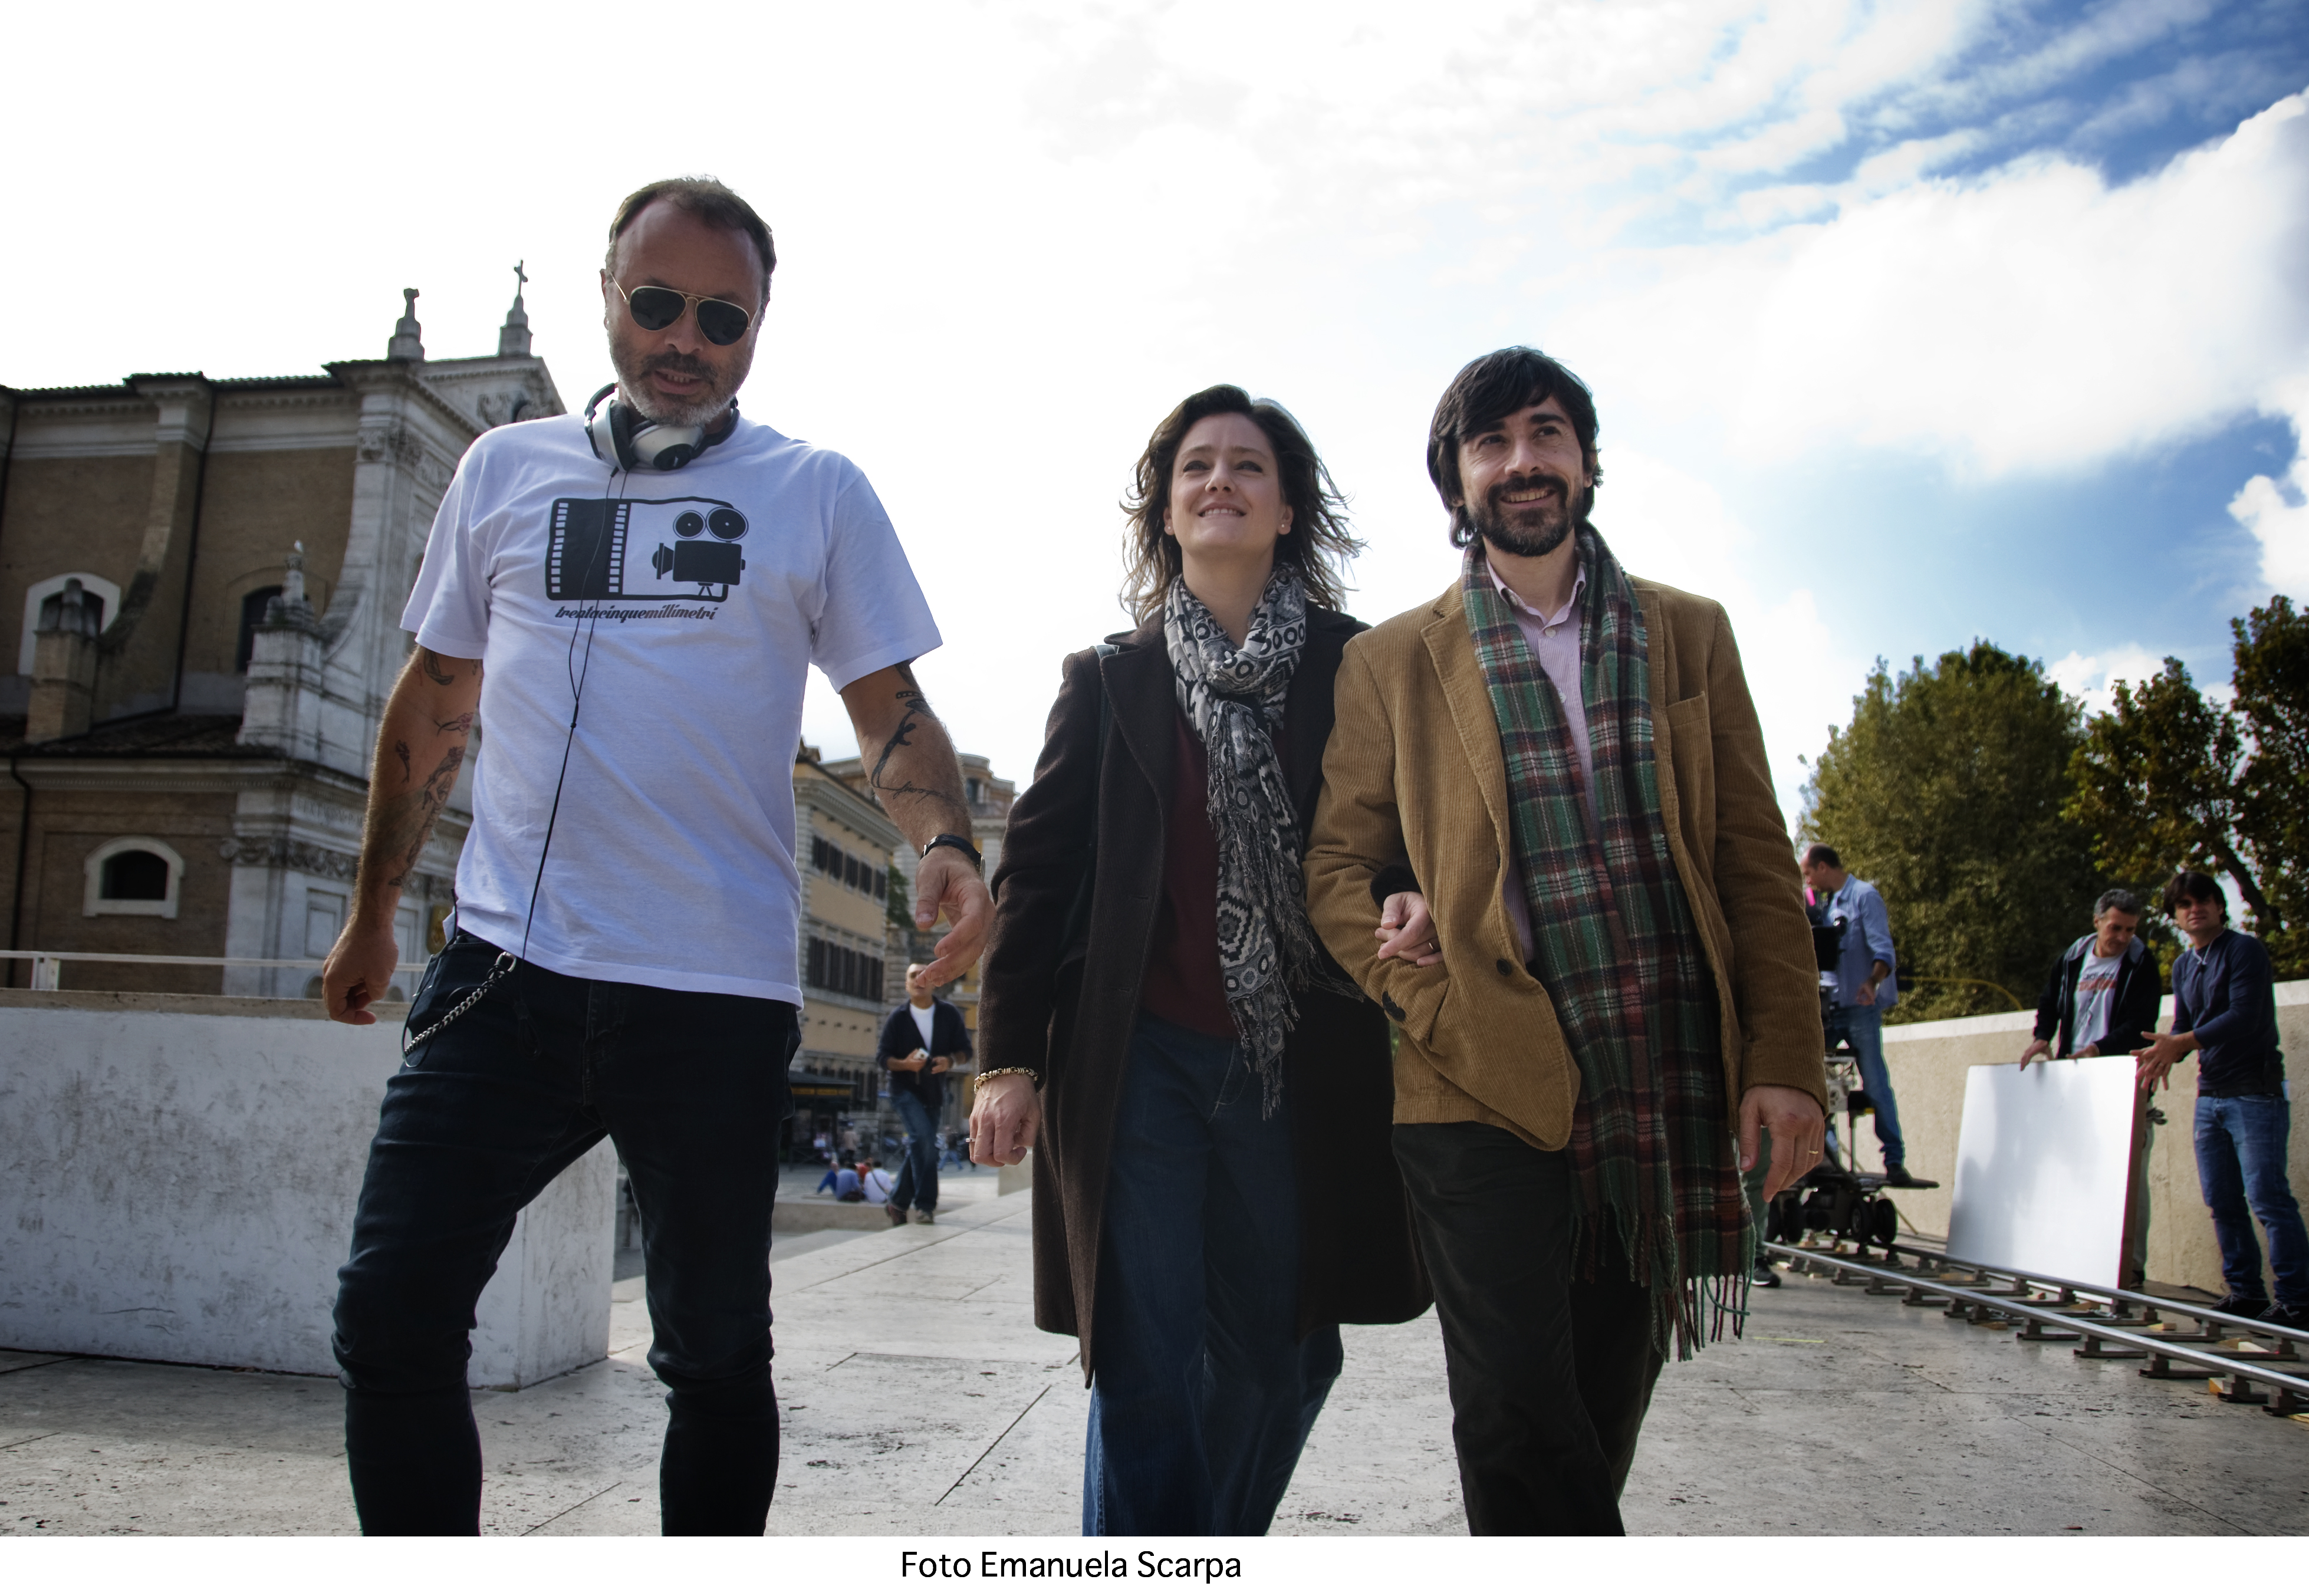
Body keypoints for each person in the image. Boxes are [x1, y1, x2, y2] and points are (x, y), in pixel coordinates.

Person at [320, 176, 993, 1536]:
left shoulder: (814, 491)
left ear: (759, 326)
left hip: (711, 991)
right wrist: (372, 908)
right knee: (388, 1315)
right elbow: (436, 699)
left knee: (713, 1353)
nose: (687, 338)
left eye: (722, 318)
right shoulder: (501, 471)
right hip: (501, 969)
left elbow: (888, 711)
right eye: (658, 304)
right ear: (609, 297)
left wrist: (943, 841)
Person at [1302, 347, 1827, 1536]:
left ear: (1585, 462)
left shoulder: (1689, 632)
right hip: (1473, 1071)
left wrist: (1785, 1062)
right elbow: (1335, 867)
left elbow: (1752, 862)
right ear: (1456, 482)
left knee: (1594, 1402)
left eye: (1545, 433)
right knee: (1513, 1409)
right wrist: (1418, 989)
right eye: (1489, 443)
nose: (1521, 461)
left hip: (1657, 1069)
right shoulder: (1390, 660)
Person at [971, 385, 1429, 1536]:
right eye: (1195, 467)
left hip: (1297, 1063)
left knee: (1283, 1360)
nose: (1219, 479)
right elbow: (1037, 880)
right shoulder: (1106, 679)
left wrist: (1406, 893)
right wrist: (1006, 1061)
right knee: (1145, 1358)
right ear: (1167, 512)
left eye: (1247, 465)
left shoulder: (1356, 665)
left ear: (1286, 510)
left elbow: (1396, 832)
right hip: (1138, 1065)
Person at [2136, 872, 2306, 1330]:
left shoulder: (2244, 950)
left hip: (2255, 1092)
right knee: (2223, 1199)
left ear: (2219, 906)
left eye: (2205, 900)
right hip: (2210, 1095)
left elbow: (2243, 1016)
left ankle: (2298, 1300)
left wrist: (2181, 1042)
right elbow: (2185, 1026)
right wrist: (2165, 1053)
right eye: (2185, 904)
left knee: (2268, 1198)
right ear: (2175, 917)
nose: (2196, 909)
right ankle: (2246, 1292)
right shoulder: (2184, 965)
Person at [2021, 888, 2164, 1287]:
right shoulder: (2073, 958)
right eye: (2115, 928)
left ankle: (2130, 1265)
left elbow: (2141, 1023)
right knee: (2076, 1170)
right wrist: (2043, 1036)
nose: (2122, 937)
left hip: (2120, 1075)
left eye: (2130, 930)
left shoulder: (2140, 963)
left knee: (2129, 1176)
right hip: (2075, 1077)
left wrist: (2099, 1048)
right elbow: (2049, 1000)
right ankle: (2078, 1256)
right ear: (2097, 921)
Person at [1800, 845, 1929, 1187]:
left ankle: (1894, 1160)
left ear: (1823, 867)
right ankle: (1823, 1158)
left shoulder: (1864, 896)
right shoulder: (1825, 906)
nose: (1808, 882)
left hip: (1860, 1008)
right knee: (1815, 1081)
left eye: (1809, 874)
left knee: (1874, 1082)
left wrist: (1872, 982)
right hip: (1829, 1008)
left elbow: (1884, 950)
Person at [876, 962, 972, 1224]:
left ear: (934, 981)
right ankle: (925, 1206)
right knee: (924, 1140)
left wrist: (950, 1061)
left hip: (934, 1092)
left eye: (923, 974)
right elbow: (883, 1057)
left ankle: (897, 1203)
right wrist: (905, 1065)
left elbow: (966, 1051)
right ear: (906, 984)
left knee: (923, 1144)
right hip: (903, 1090)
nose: (919, 979)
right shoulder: (898, 1018)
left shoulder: (949, 1014)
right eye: (913, 975)